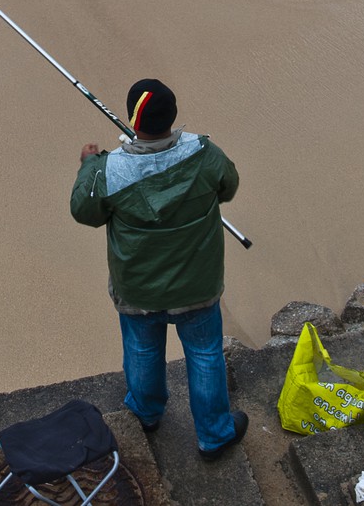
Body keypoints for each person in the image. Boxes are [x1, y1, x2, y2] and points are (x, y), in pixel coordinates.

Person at [69, 78, 247, 460]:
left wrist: (88, 166)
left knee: (142, 349)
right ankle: (214, 435)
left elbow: (85, 211)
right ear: (173, 115)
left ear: (134, 122)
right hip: (197, 285)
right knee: (204, 354)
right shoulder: (204, 152)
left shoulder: (109, 170)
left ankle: (146, 414)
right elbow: (228, 186)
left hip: (139, 288)